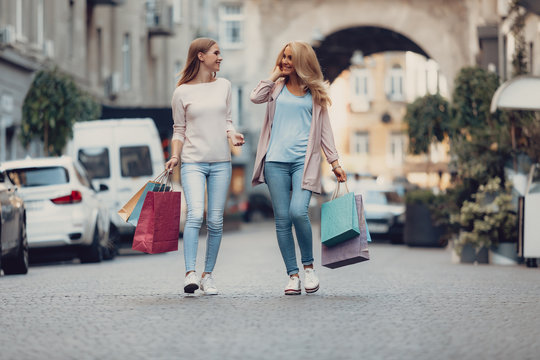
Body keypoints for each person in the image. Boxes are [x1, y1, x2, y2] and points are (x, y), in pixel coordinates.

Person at [250, 41, 347, 295]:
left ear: (302, 61)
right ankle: (292, 275)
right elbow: (255, 97)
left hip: (303, 163)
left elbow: (325, 131)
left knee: (298, 212)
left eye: (290, 58)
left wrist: (334, 162)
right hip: (275, 162)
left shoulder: (315, 93)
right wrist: (274, 75)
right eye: (283, 56)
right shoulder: (275, 88)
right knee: (282, 220)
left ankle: (308, 268)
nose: (285, 61)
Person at [165, 38, 245, 295]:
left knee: (216, 221)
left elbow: (228, 120)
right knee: (195, 214)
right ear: (201, 56)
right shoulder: (181, 92)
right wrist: (175, 156)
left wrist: (232, 134)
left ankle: (207, 275)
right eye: (216, 53)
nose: (220, 57)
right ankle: (190, 272)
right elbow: (179, 130)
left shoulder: (225, 86)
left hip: (221, 162)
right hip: (192, 163)